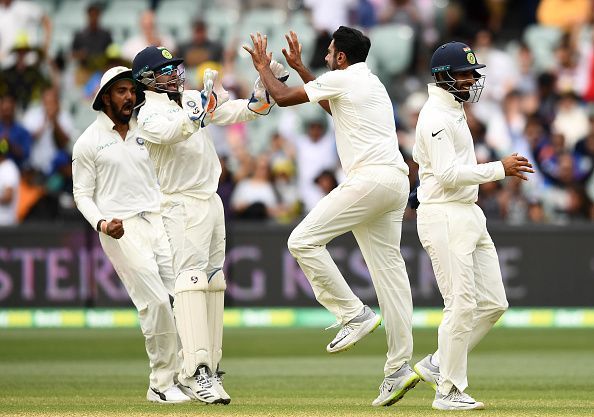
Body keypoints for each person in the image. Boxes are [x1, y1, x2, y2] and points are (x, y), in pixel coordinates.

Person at [244, 27, 418, 407]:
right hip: (395, 183)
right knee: (390, 276)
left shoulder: (342, 79)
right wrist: (303, 68)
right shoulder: (368, 82)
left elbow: (283, 96)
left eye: (329, 52)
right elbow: (329, 104)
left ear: (340, 58)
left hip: (370, 180)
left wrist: (262, 67)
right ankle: (399, 368)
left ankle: (353, 315)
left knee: (302, 241)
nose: (326, 57)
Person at [132, 45, 288, 405]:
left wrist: (263, 90)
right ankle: (193, 371)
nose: (175, 74)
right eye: (165, 70)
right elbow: (175, 131)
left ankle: (211, 369)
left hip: (211, 199)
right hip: (180, 203)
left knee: (214, 281)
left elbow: (239, 111)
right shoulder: (147, 115)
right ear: (146, 80)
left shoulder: (188, 99)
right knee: (190, 279)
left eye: (175, 67)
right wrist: (202, 108)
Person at [411, 41, 535, 410]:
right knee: (461, 305)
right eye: (465, 74)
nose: (471, 80)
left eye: (472, 73)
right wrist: (500, 169)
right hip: (443, 213)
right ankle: (447, 391)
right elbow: (448, 176)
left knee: (494, 303)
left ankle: (437, 363)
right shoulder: (434, 117)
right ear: (443, 76)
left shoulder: (454, 108)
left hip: (468, 213)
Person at [71, 66, 191, 404]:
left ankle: (188, 374)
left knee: (184, 297)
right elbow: (82, 194)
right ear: (106, 96)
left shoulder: (145, 129)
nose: (129, 96)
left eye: (131, 90)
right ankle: (160, 383)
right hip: (119, 229)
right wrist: (102, 224)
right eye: (122, 91)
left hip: (158, 220)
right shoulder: (88, 143)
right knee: (154, 302)